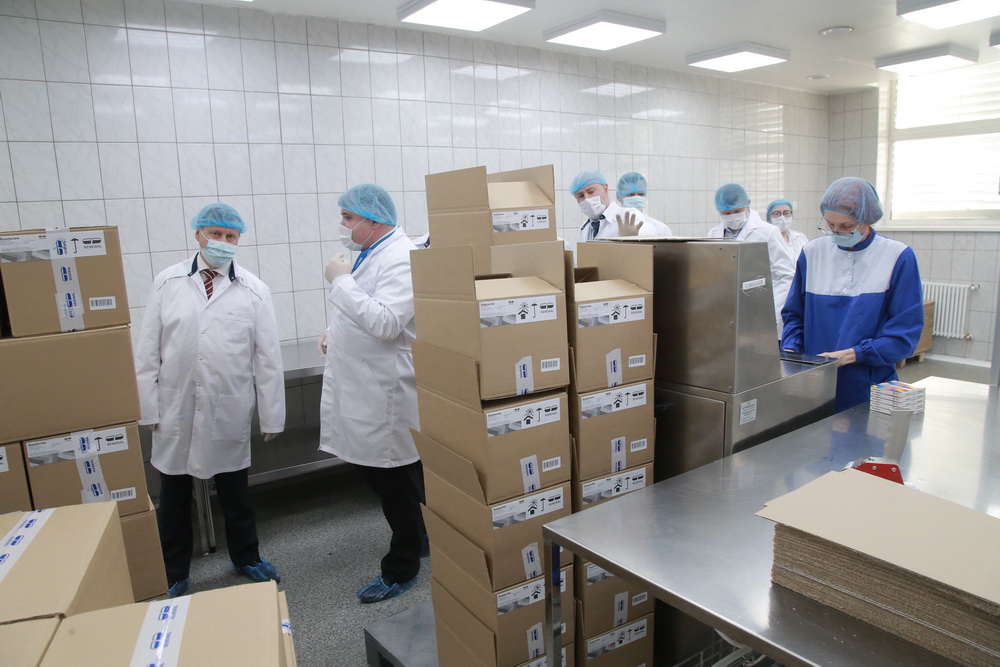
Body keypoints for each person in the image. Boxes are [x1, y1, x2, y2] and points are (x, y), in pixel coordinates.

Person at [135, 203, 285, 598]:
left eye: (230, 236)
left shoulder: (254, 290)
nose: (222, 242)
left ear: (239, 240)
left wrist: (272, 415)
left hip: (227, 406)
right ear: (198, 234)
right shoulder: (168, 282)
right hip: (176, 406)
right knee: (173, 497)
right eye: (215, 234)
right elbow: (147, 351)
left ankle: (247, 557)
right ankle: (174, 571)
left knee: (236, 492)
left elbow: (268, 358)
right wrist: (148, 407)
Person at [316, 184, 424, 604]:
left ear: (374, 219)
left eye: (348, 217)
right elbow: (367, 308)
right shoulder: (373, 252)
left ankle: (402, 567)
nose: (343, 225)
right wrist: (334, 330)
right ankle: (422, 534)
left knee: (393, 480)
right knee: (388, 475)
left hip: (385, 392)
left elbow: (386, 322)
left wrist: (341, 282)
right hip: (365, 385)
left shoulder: (401, 257)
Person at [780, 177, 923, 412]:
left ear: (867, 220)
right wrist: (791, 350)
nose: (837, 232)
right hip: (814, 383)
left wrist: (854, 354)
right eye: (830, 225)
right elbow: (795, 314)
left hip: (868, 385)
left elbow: (904, 333)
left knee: (864, 435)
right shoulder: (813, 252)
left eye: (846, 226)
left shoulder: (897, 257)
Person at [708, 183, 794, 329]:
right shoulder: (713, 234)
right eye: (727, 213)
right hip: (728, 310)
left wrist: (770, 310)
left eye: (737, 211)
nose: (733, 216)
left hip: (761, 308)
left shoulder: (768, 232)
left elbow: (785, 275)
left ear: (747, 205)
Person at [571, 170, 660, 242]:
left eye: (591, 192)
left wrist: (632, 239)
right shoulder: (585, 229)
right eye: (581, 196)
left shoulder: (628, 215)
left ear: (605, 189)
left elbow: (652, 236)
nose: (587, 198)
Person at [616, 171, 673, 236]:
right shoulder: (611, 225)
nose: (636, 197)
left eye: (640, 194)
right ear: (619, 196)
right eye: (631, 194)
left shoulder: (661, 229)